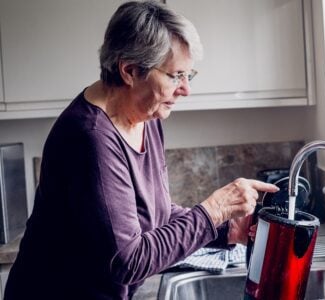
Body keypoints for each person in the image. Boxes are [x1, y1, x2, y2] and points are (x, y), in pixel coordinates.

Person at [4, 1, 278, 299]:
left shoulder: (146, 116)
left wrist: (226, 228)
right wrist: (212, 212)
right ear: (130, 70)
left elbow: (155, 212)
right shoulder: (90, 139)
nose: (186, 89)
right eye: (176, 76)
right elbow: (127, 261)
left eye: (189, 75)